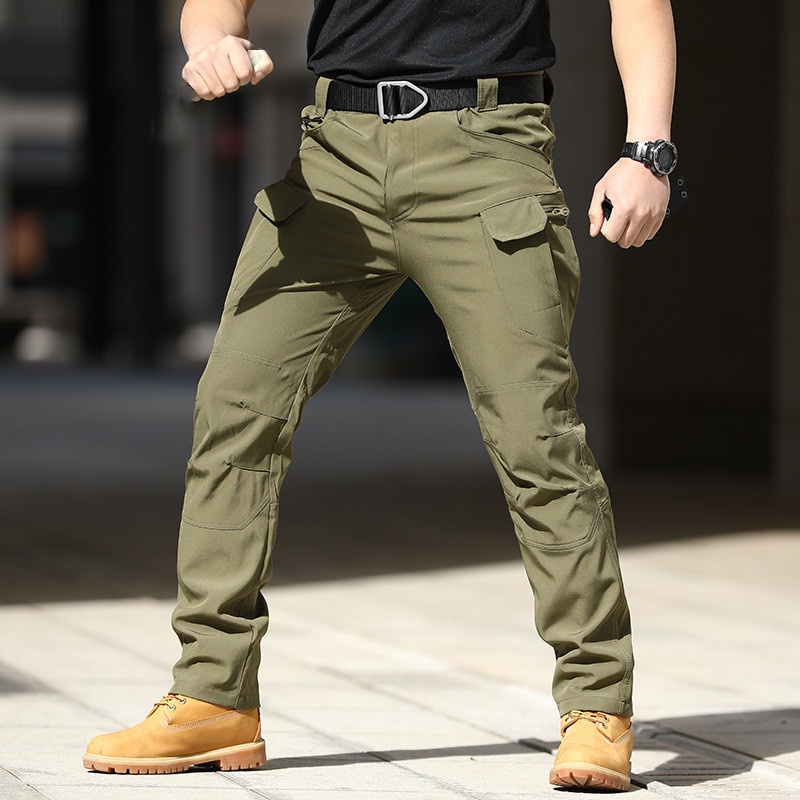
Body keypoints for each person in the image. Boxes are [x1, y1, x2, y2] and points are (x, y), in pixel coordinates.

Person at [84, 0, 676, 791]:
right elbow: (214, 9)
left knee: (536, 437)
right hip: (335, 160)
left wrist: (647, 152)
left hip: (487, 151)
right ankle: (212, 694)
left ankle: (597, 704)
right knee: (235, 409)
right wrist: (210, 43)